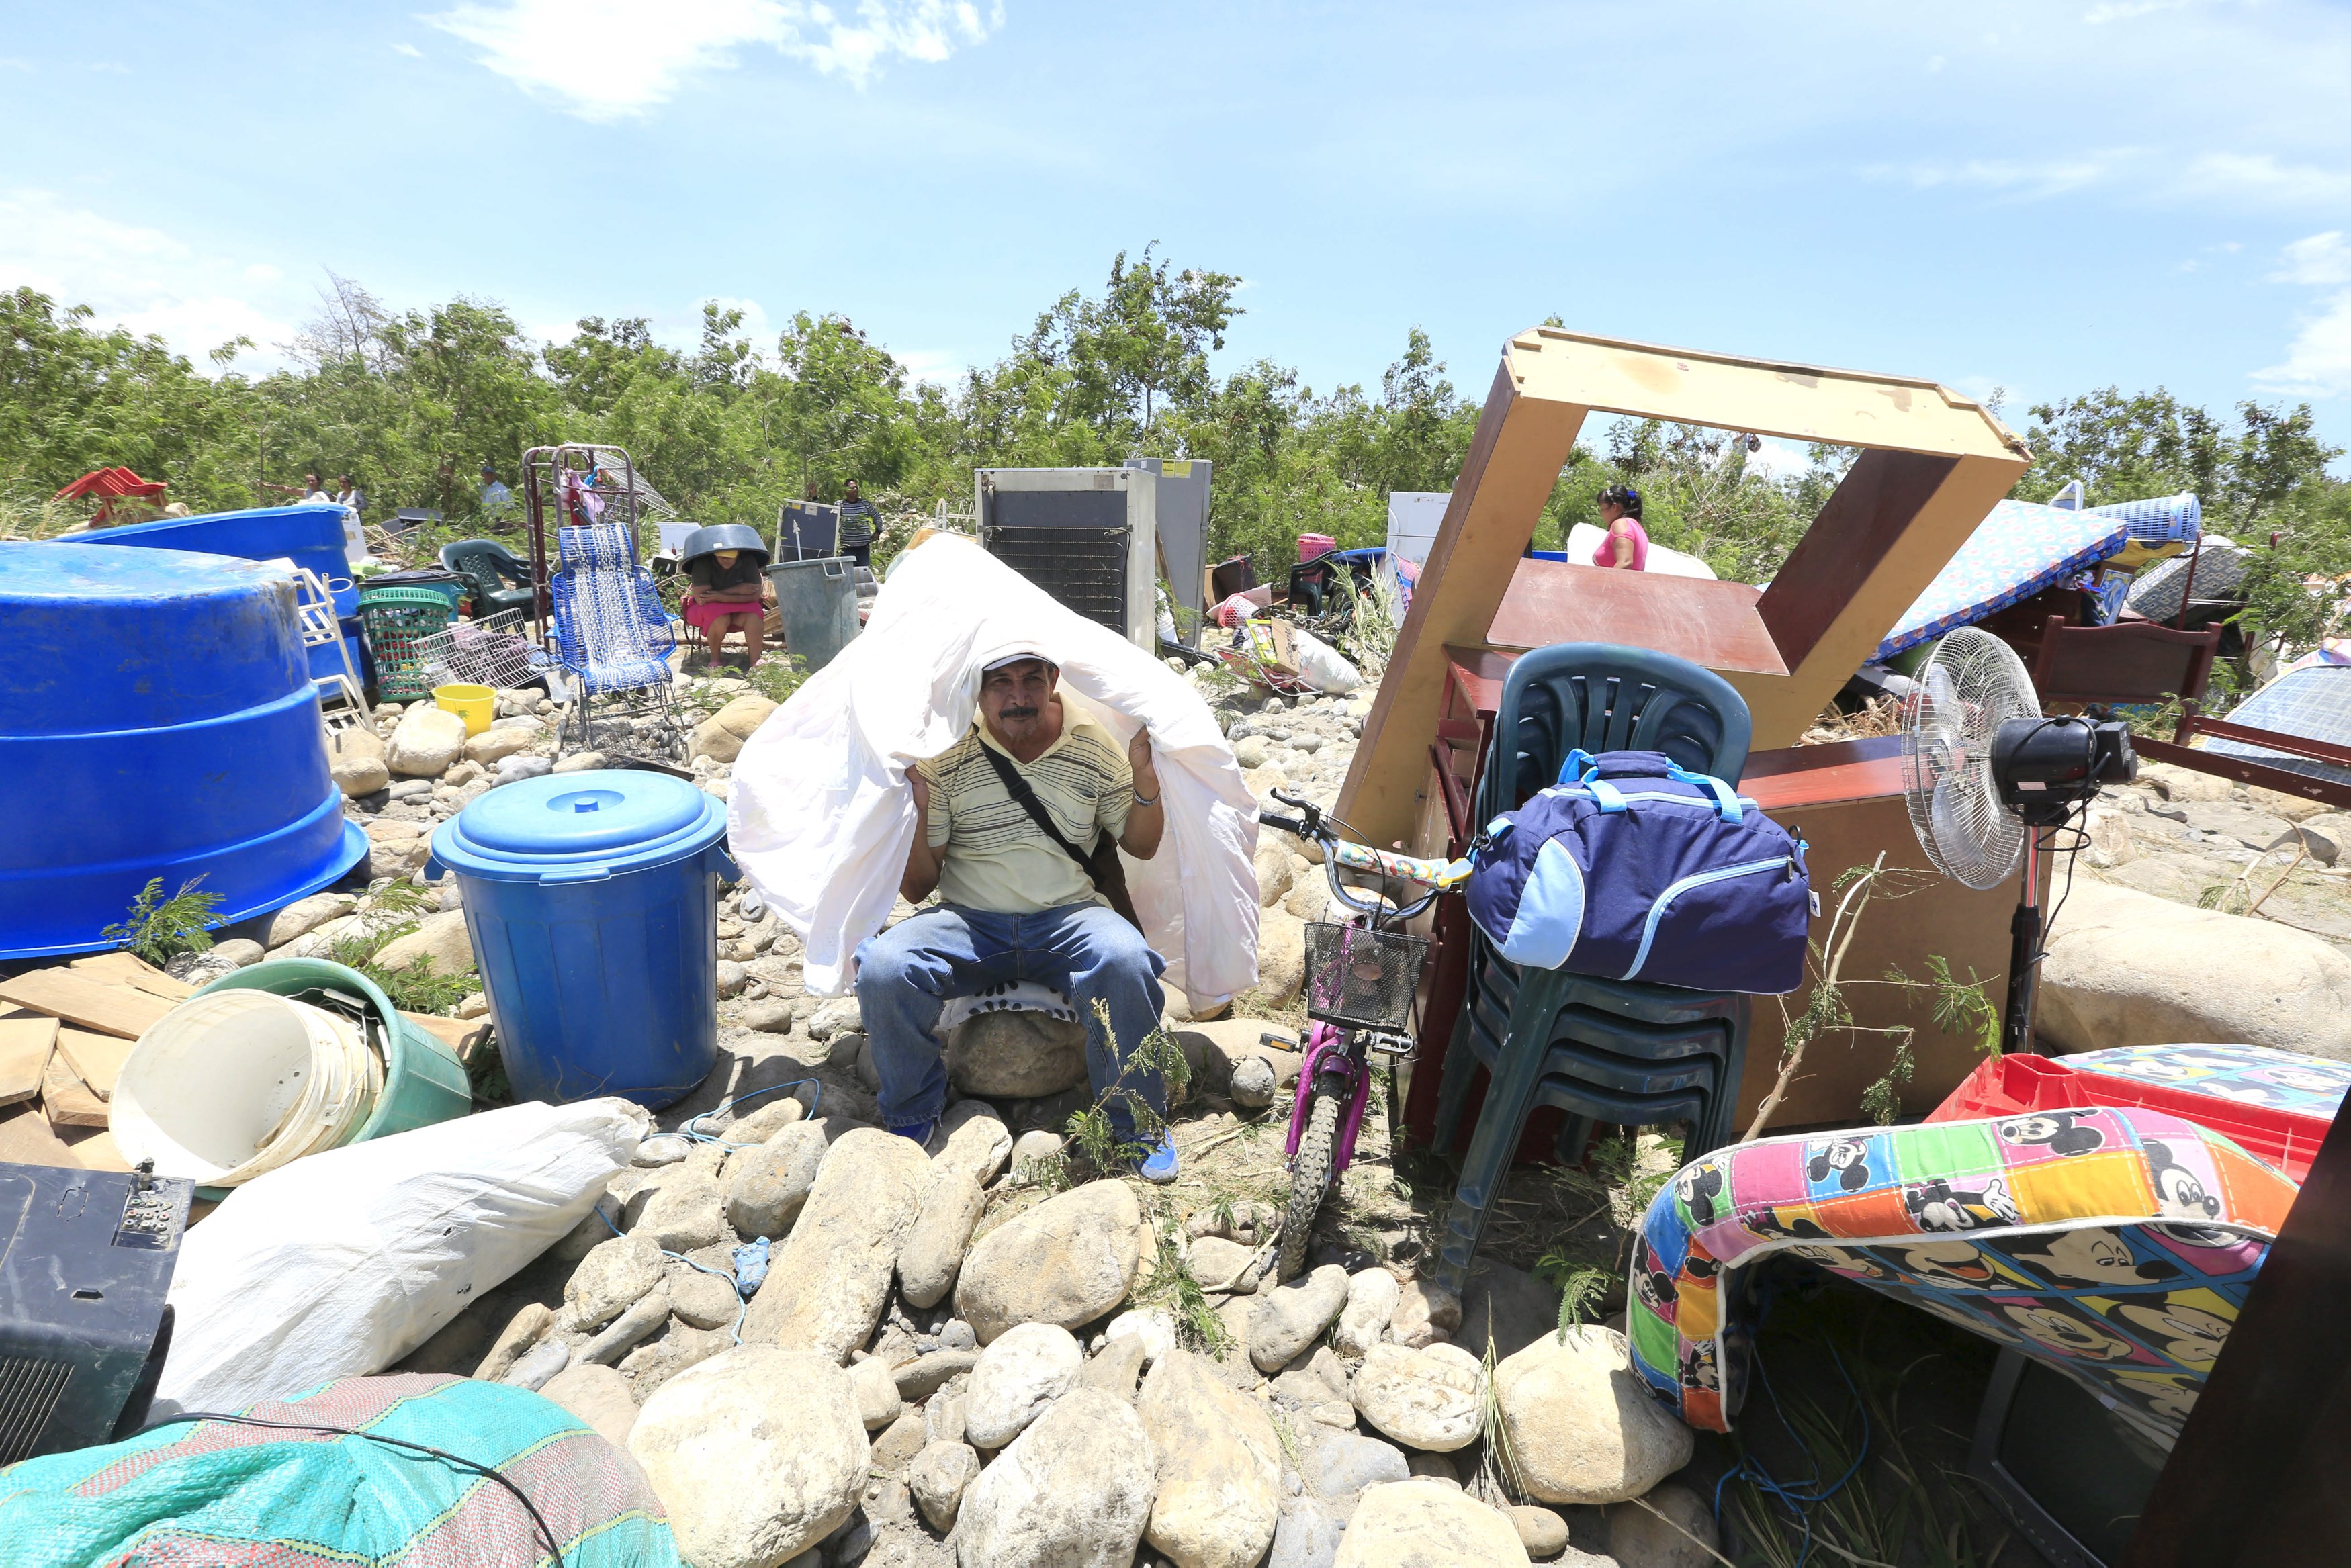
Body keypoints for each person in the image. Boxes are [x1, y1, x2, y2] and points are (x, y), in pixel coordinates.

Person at [856, 653, 1178, 1179]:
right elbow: (918, 887)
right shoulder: (949, 754)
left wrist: (1144, 780)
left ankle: (1136, 1121)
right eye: (1000, 683)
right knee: (886, 967)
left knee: (1125, 959)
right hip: (971, 923)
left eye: (1032, 679)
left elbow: (1141, 845)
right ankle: (913, 1109)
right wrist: (916, 808)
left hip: (1067, 917)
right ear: (976, 693)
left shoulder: (1091, 744)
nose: (1018, 696)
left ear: (1054, 681)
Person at [679, 523, 771, 670]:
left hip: (739, 606)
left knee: (754, 612)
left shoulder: (748, 561)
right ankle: (715, 660)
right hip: (708, 610)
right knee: (718, 614)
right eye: (721, 557)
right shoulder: (702, 563)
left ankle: (755, 660)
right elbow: (703, 598)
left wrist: (720, 595)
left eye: (730, 557)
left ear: (738, 555)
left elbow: (755, 595)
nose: (725, 560)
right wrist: (738, 590)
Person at [1593, 483, 1650, 570]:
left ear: (1614, 507)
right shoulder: (1637, 527)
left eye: (1602, 509)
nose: (1601, 514)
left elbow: (1625, 562)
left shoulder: (1621, 524)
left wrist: (1607, 583)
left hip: (1619, 583)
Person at [836, 479, 881, 569]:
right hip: (847, 549)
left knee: (862, 573)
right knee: (849, 574)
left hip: (863, 548)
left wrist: (878, 531)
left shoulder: (865, 504)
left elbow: (877, 517)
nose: (856, 489)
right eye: (852, 488)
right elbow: (828, 517)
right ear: (846, 490)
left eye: (857, 487)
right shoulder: (839, 505)